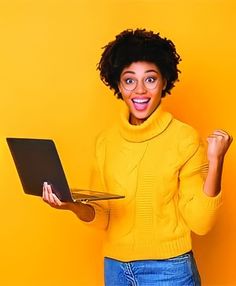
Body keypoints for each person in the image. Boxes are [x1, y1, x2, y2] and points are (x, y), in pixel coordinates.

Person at [42, 29, 233, 285]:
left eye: (150, 79)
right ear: (118, 86)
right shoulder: (105, 141)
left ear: (164, 81)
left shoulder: (184, 138)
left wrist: (216, 162)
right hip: (115, 269)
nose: (140, 90)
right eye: (129, 80)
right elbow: (102, 216)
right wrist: (69, 205)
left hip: (169, 272)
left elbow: (201, 222)